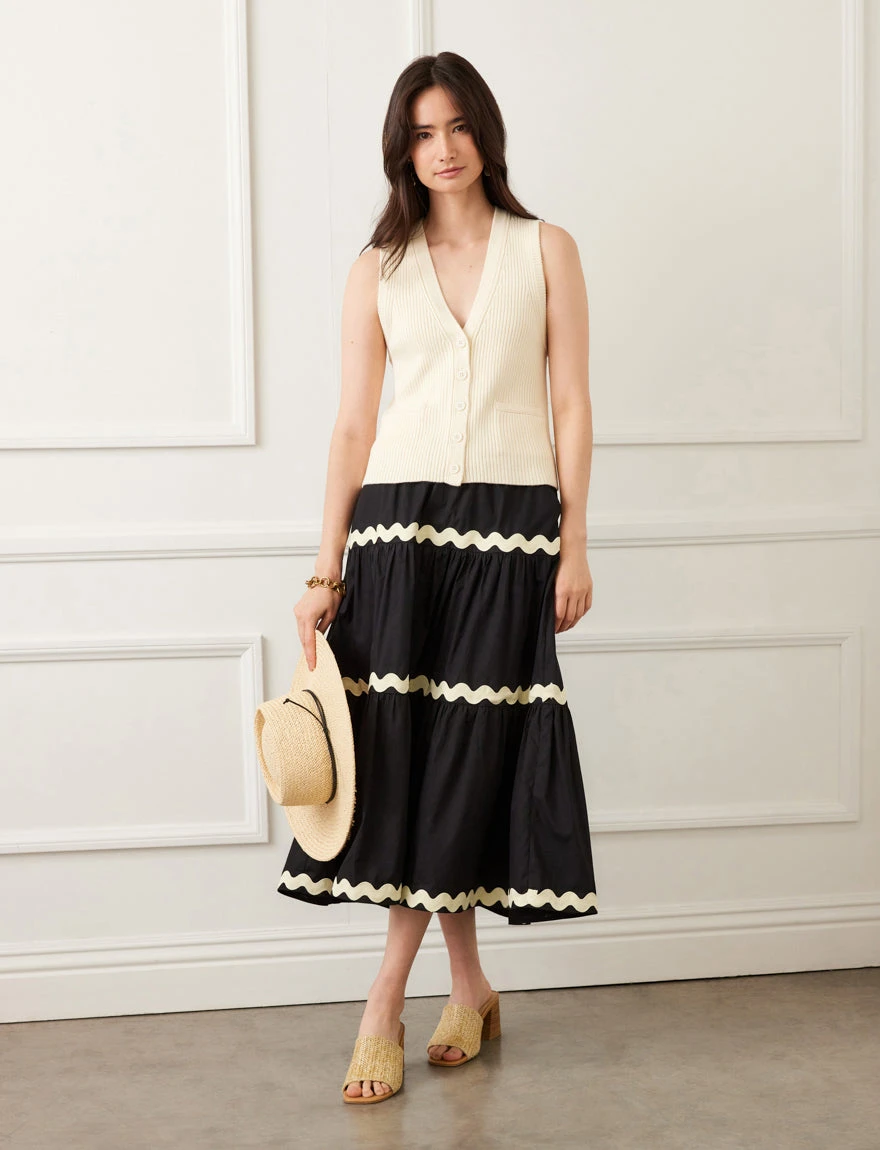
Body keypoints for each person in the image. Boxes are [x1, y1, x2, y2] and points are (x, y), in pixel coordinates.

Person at [278, 50, 598, 1104]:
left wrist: (576, 542)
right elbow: (352, 425)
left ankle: (384, 996)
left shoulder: (545, 250)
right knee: (412, 761)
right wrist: (326, 568)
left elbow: (570, 405)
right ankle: (465, 987)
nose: (444, 148)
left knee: (466, 756)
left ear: (485, 134)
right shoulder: (378, 268)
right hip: (396, 532)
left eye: (458, 126)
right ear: (401, 149)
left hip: (510, 531)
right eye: (422, 132)